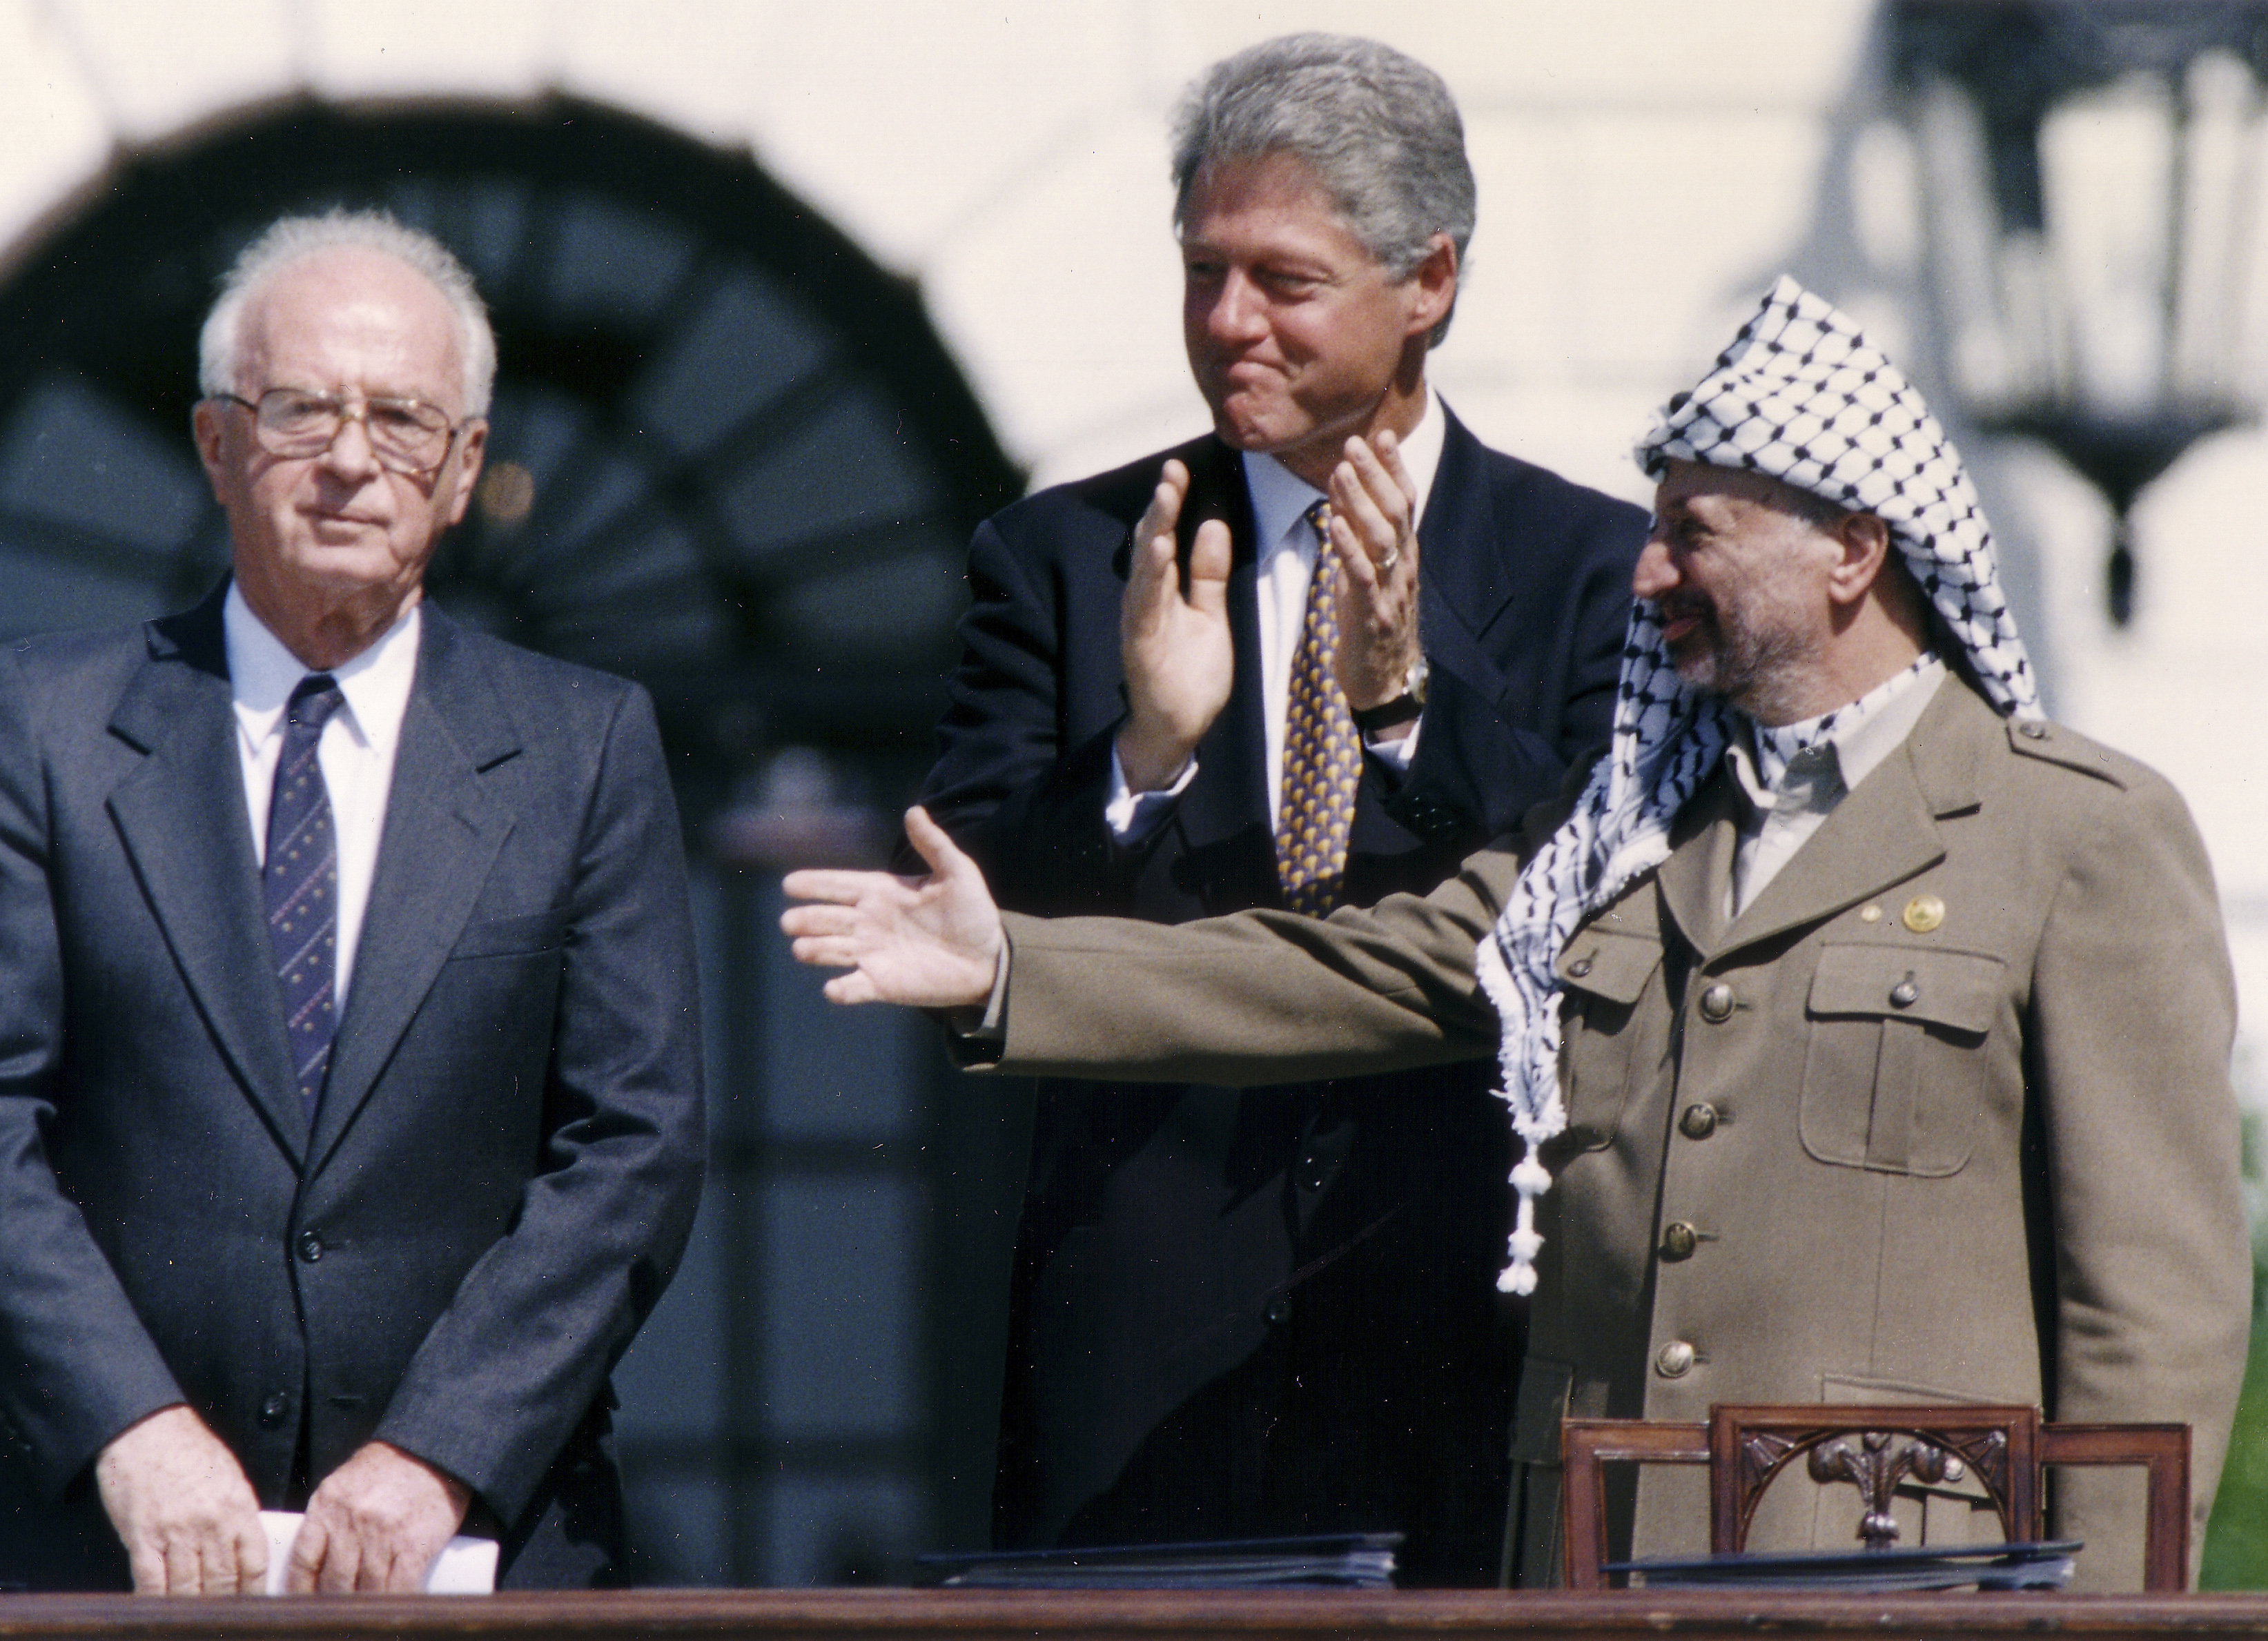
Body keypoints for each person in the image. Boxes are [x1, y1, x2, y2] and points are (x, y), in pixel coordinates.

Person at [785, 278, 2249, 1591]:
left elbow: (2149, 1321)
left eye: (1693, 533)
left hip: (1899, 1585)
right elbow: (1354, 969)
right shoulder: (1628, 828)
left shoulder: (2074, 835)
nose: (1646, 573)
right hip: (1596, 1572)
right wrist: (1014, 969)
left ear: (1851, 551)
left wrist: (2106, 1626)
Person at [0, 210, 705, 1595]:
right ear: (216, 444)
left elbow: (635, 1143)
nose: (348, 459)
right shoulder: (49, 724)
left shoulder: (584, 748)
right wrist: (132, 1429)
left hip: (470, 1550)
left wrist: (438, 1451)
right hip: (93, 1544)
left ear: (464, 469)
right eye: (301, 409)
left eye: (402, 420)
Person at [912, 33, 1645, 1580]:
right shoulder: (1068, 556)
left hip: (1463, 1329)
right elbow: (962, 933)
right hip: (1139, 1356)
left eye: (1283, 281)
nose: (1227, 321)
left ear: (1427, 279)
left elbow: (1597, 910)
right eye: (1202, 273)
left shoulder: (1594, 571)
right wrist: (1143, 757)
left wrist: (1408, 712)